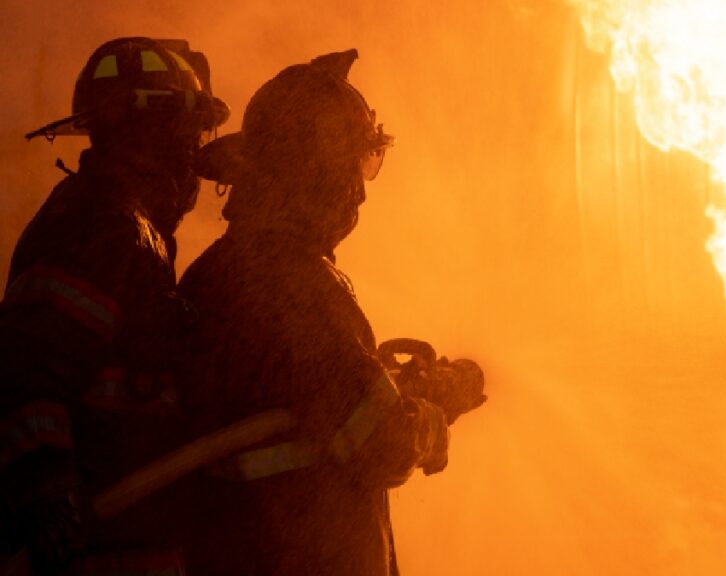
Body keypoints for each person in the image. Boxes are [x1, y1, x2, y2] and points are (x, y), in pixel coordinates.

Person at [178, 50, 485, 576]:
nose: (361, 190)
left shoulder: (216, 274)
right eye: (353, 166)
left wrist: (396, 387)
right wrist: (430, 418)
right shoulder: (292, 283)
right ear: (310, 171)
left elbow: (314, 404)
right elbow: (378, 440)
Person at [0, 37, 229, 575]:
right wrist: (48, 488)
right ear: (156, 132)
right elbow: (26, 366)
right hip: (96, 552)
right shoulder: (105, 226)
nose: (197, 155)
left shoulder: (125, 226)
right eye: (191, 134)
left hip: (133, 544)